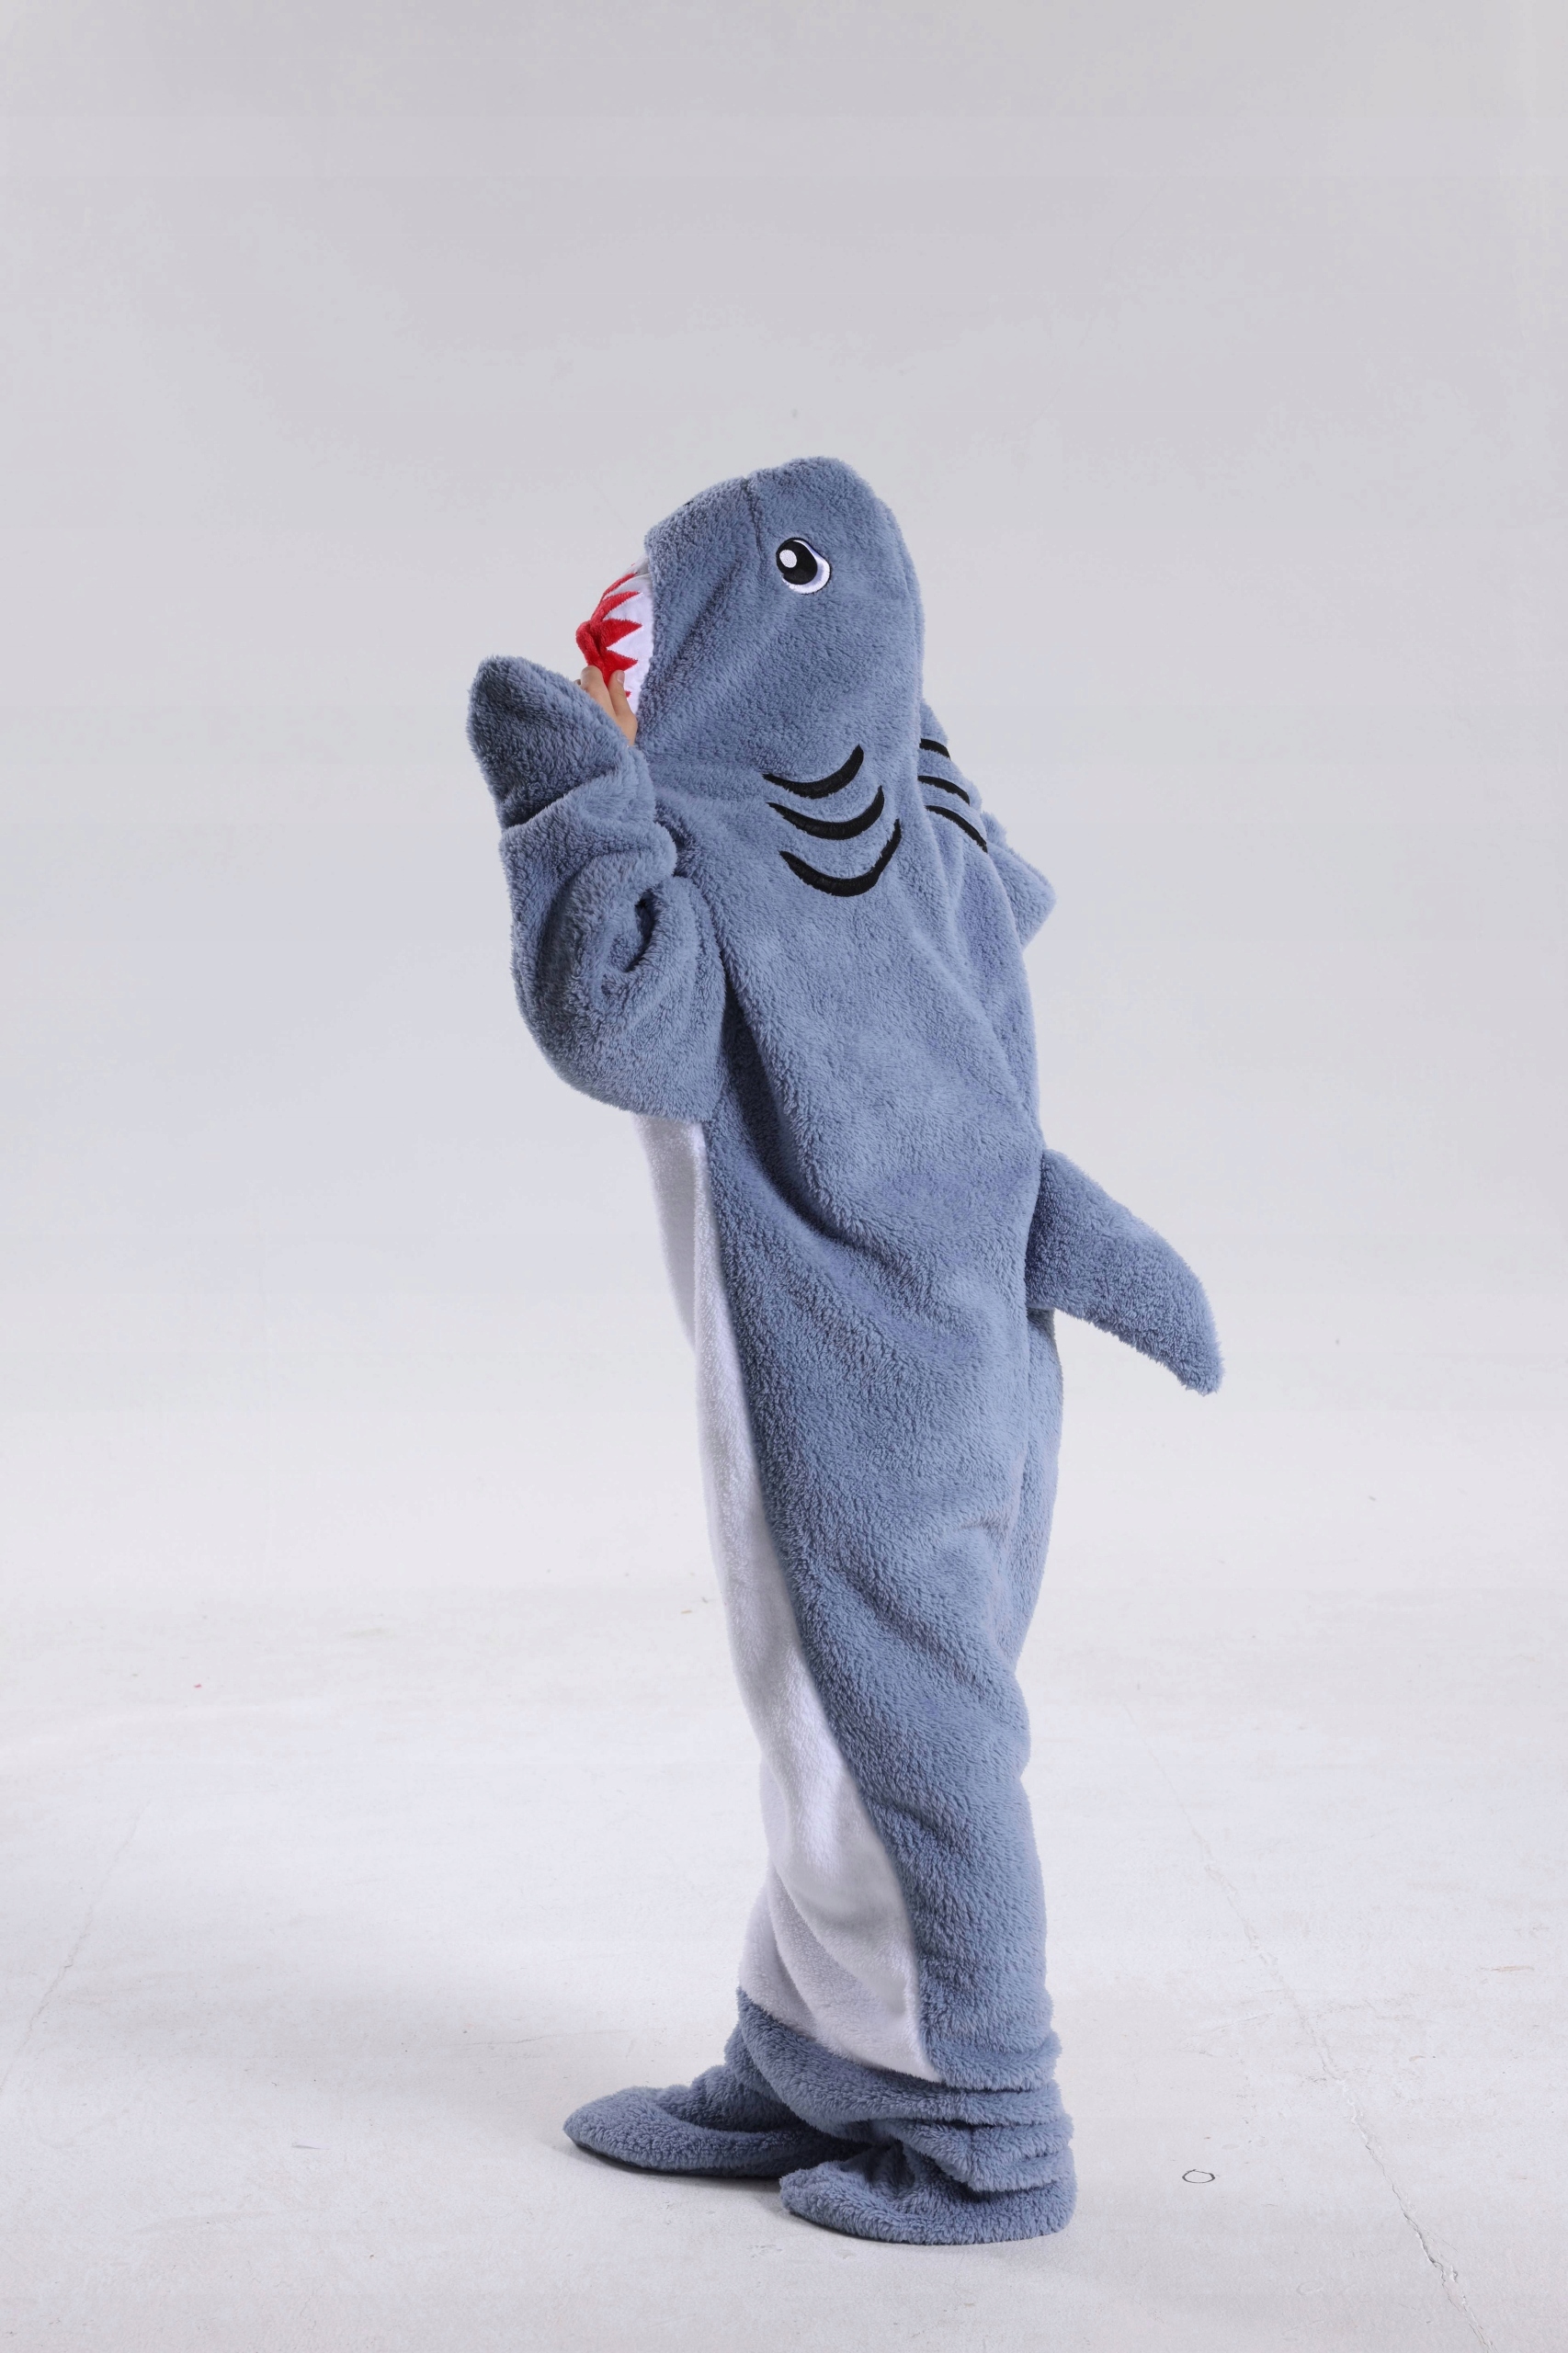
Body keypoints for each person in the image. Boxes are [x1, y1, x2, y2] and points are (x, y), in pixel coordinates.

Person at [467, 456, 1221, 2245]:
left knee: (900, 1739)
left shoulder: (759, 840)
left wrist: (567, 787)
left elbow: (619, 1017)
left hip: (854, 1380)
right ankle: (809, 2049)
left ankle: (984, 2122)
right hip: (967, 1355)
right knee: (830, 1729)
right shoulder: (927, 822)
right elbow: (979, 1077)